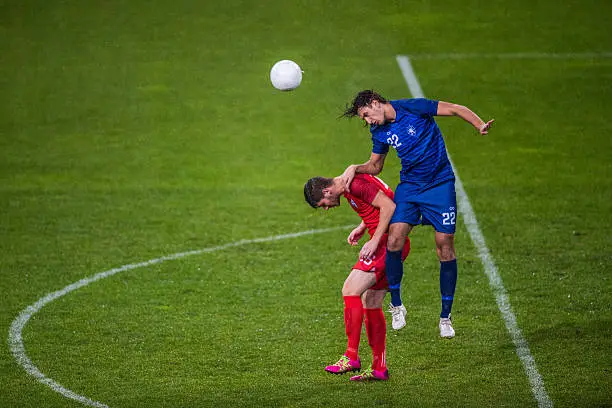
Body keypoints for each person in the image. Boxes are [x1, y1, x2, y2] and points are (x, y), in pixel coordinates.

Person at [341, 90, 494, 338]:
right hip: (410, 187)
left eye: (367, 115)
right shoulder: (378, 131)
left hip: (440, 184)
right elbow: (376, 166)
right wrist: (354, 168)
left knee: (444, 245)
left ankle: (445, 317)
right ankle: (397, 304)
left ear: (375, 103)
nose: (368, 121)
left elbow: (454, 108)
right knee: (393, 238)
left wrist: (478, 124)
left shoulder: (414, 107)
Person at [304, 173, 410, 381]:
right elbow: (380, 199)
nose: (326, 207)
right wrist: (363, 227)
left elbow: (389, 206)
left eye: (323, 203)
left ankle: (351, 356)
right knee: (371, 301)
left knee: (350, 289)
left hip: (387, 244)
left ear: (326, 191)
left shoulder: (356, 184)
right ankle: (379, 368)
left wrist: (374, 240)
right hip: (387, 242)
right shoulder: (347, 187)